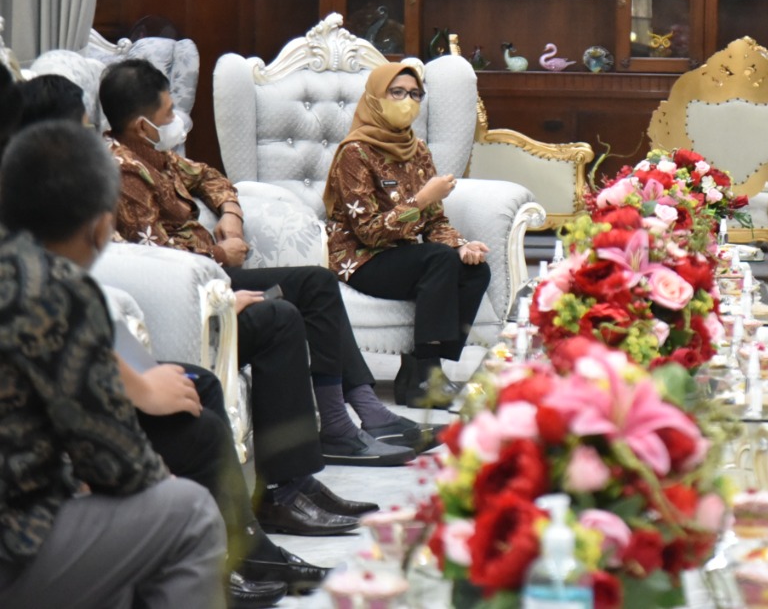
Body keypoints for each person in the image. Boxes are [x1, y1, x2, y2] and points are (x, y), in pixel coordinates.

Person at [9, 76, 340, 603]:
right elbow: (106, 450)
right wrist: (144, 424)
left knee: (199, 386)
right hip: (19, 534)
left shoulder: (42, 268)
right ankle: (236, 554)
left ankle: (254, 545)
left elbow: (92, 344)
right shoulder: (46, 281)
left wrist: (230, 223)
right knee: (185, 506)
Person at [98, 61, 415, 503]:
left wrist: (231, 217)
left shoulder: (156, 154)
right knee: (288, 309)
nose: (178, 122)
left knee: (316, 284)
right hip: (195, 287)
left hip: (215, 272)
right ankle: (340, 427)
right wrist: (220, 255)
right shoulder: (123, 171)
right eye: (169, 114)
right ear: (141, 125)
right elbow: (156, 256)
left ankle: (353, 412)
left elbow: (210, 177)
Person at [0, 121, 226, 609]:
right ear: (102, 227)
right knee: (187, 513)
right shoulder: (56, 288)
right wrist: (155, 477)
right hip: (12, 545)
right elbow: (115, 462)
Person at [323, 62, 490, 406]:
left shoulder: (419, 150)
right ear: (375, 98)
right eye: (396, 93)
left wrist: (461, 246)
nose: (407, 101)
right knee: (438, 260)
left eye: (415, 94)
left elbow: (434, 222)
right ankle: (426, 375)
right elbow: (368, 232)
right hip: (361, 260)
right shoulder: (354, 153)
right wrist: (422, 198)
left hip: (405, 257)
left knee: (475, 270)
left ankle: (418, 369)